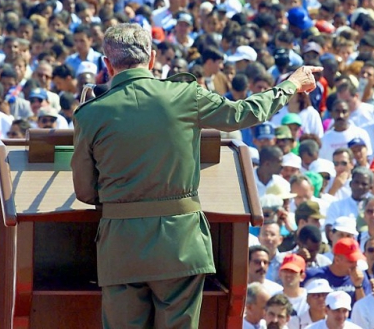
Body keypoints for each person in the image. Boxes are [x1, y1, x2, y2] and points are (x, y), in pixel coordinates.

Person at [70, 24, 320, 327]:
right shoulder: (184, 95)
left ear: (108, 65)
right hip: (180, 244)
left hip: (121, 248)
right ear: (151, 59)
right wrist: (290, 85)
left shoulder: (90, 114)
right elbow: (243, 114)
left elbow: (84, 190)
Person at [306, 238, 371, 305]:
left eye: (356, 261)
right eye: (351, 261)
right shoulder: (314, 276)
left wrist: (358, 286)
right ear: (337, 260)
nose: (355, 265)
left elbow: (363, 309)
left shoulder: (361, 277)